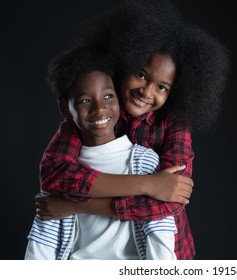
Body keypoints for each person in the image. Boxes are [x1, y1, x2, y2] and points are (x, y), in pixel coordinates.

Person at [36, 0, 230, 260]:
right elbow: (55, 174)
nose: (146, 92)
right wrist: (149, 184)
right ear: (123, 61)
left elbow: (171, 199)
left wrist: (72, 205)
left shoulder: (174, 126)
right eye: (141, 74)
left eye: (162, 87)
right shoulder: (96, 113)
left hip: (158, 252)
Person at [25, 46, 178, 260]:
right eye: (85, 101)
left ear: (118, 97)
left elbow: (160, 231)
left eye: (108, 96)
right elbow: (42, 244)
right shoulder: (64, 175)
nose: (99, 108)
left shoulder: (144, 162)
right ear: (65, 109)